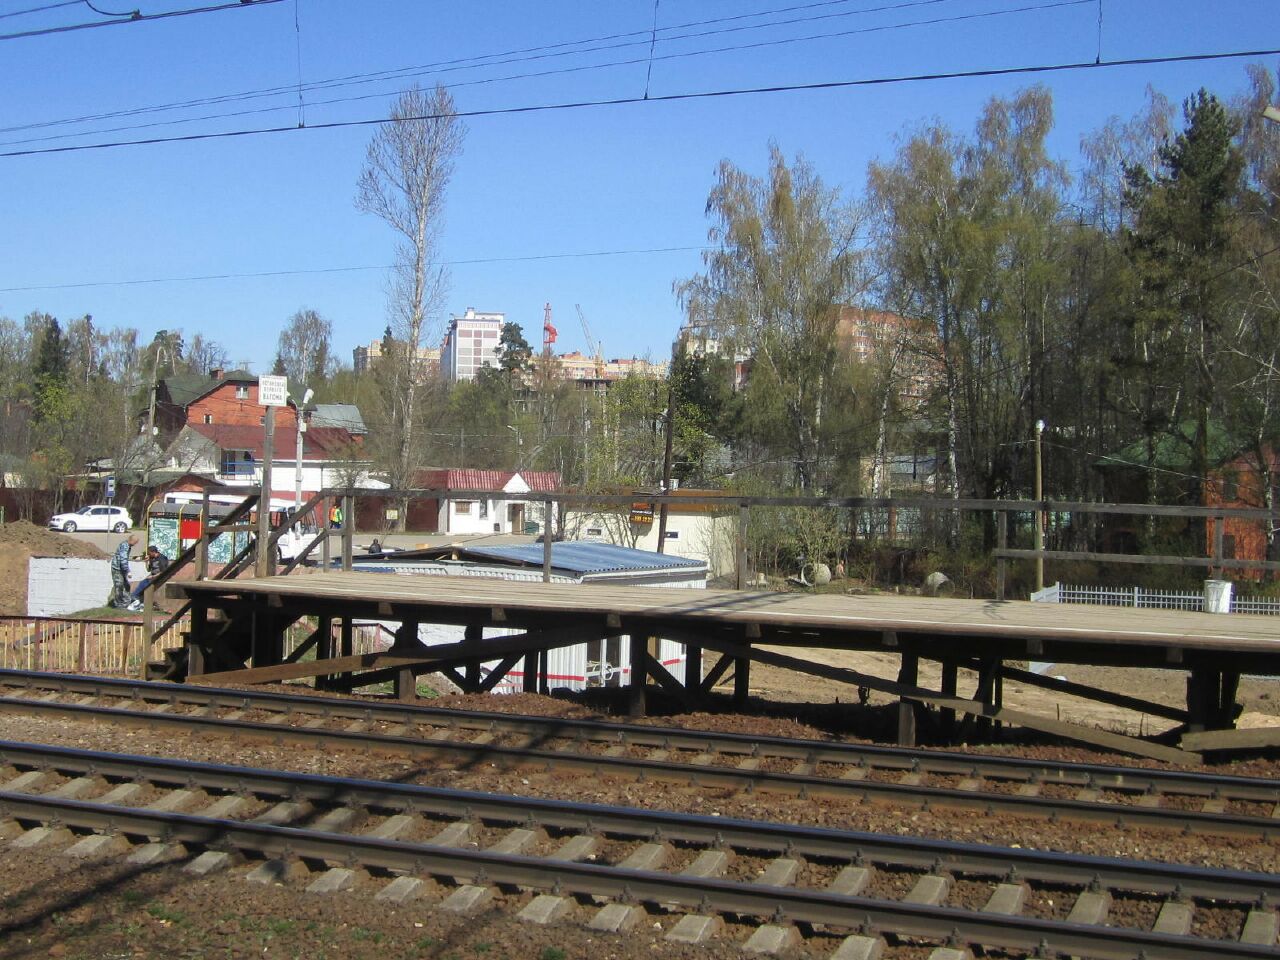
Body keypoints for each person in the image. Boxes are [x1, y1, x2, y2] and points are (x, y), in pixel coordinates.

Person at [128, 544, 170, 611]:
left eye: (149, 553)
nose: (148, 554)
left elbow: (164, 572)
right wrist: (146, 562)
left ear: (154, 552)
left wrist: (153, 576)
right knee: (143, 583)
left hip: (160, 577)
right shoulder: (152, 558)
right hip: (152, 576)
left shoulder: (162, 559)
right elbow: (148, 570)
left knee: (145, 584)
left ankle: (135, 597)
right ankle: (136, 598)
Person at [110, 534, 138, 608]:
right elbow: (123, 559)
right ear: (132, 540)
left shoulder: (127, 545)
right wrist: (127, 571)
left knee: (126, 585)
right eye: (135, 542)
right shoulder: (125, 546)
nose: (135, 544)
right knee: (119, 586)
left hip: (121, 569)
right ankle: (119, 604)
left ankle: (126, 601)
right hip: (117, 569)